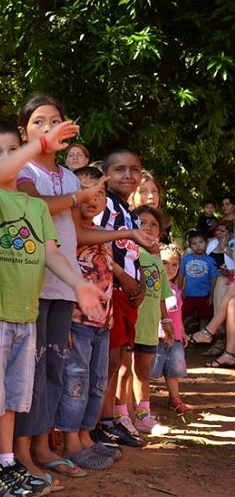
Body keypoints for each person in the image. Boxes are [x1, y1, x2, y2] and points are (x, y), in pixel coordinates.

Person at [0, 119, 106, 497]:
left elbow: (51, 253)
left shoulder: (36, 207)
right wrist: (39, 144)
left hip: (24, 316)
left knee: (12, 397)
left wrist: (79, 283)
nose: (8, 159)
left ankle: (5, 461)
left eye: (13, 149)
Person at [13, 94, 100, 479]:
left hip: (64, 285)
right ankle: (19, 452)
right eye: (38, 122)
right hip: (31, 284)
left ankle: (43, 446)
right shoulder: (22, 171)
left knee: (53, 367)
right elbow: (34, 205)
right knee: (27, 368)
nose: (47, 128)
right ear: (24, 132)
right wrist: (76, 197)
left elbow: (77, 228)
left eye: (55, 121)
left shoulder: (67, 176)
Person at [56, 166, 121, 470]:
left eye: (101, 193)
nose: (93, 198)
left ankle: (86, 436)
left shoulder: (101, 232)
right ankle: (70, 442)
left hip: (102, 322)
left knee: (96, 381)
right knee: (76, 381)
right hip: (79, 321)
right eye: (86, 191)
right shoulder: (70, 232)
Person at [91, 149, 154, 447]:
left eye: (134, 169)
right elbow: (98, 245)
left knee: (117, 359)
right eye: (120, 169)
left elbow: (128, 250)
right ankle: (96, 423)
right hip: (109, 290)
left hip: (126, 294)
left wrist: (138, 281)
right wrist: (124, 278)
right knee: (109, 358)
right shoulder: (105, 205)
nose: (128, 175)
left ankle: (107, 420)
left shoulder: (128, 211)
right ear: (105, 173)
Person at [129, 206, 174, 434]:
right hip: (130, 323)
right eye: (141, 222)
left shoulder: (157, 260)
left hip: (148, 326)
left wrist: (166, 321)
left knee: (143, 372)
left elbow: (162, 296)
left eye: (153, 225)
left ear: (160, 232)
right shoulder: (129, 253)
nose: (147, 227)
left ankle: (143, 415)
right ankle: (122, 413)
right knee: (124, 372)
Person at [153, 245, 191, 413]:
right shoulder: (154, 287)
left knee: (174, 370)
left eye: (175, 265)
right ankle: (142, 403)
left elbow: (178, 313)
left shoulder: (175, 289)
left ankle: (174, 398)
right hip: (157, 336)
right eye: (165, 263)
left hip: (174, 337)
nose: (170, 268)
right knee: (149, 371)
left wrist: (182, 331)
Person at [180, 229, 219, 331]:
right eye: (194, 243)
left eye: (201, 242)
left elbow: (214, 278)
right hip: (189, 295)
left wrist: (211, 295)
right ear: (190, 246)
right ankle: (179, 334)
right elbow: (181, 275)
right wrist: (180, 290)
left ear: (206, 243)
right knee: (186, 316)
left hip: (204, 295)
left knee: (204, 317)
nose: (198, 246)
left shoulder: (211, 260)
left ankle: (201, 339)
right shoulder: (186, 258)